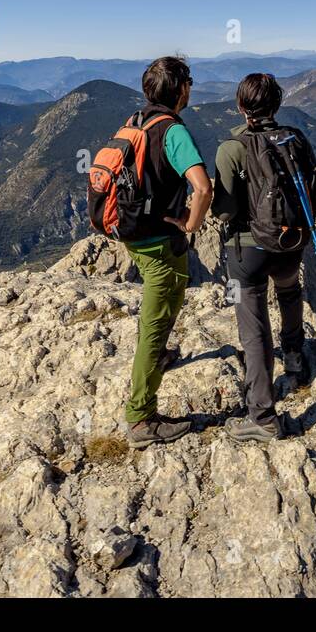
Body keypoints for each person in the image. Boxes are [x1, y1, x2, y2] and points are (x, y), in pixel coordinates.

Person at [211, 73, 316, 443]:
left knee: (254, 328)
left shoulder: (232, 148)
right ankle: (294, 355)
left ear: (241, 107)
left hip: (247, 252)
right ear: (276, 105)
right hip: (291, 243)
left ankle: (262, 415)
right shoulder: (296, 138)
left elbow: (225, 211)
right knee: (290, 292)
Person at [122, 56, 212, 448]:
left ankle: (157, 354)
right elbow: (203, 187)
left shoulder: (135, 122)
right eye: (188, 82)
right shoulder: (173, 131)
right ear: (182, 90)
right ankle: (141, 418)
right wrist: (192, 225)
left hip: (131, 235)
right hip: (160, 242)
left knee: (155, 311)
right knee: (157, 323)